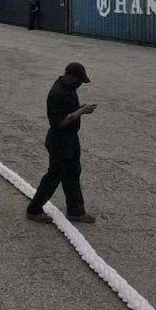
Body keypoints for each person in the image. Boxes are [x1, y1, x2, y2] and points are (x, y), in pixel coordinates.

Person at [26, 62, 98, 224]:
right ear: (71, 76)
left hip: (71, 139)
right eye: (80, 81)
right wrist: (82, 111)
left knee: (73, 173)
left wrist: (80, 109)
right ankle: (34, 209)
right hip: (59, 141)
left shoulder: (69, 88)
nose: (80, 85)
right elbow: (60, 122)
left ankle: (76, 211)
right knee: (54, 176)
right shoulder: (58, 93)